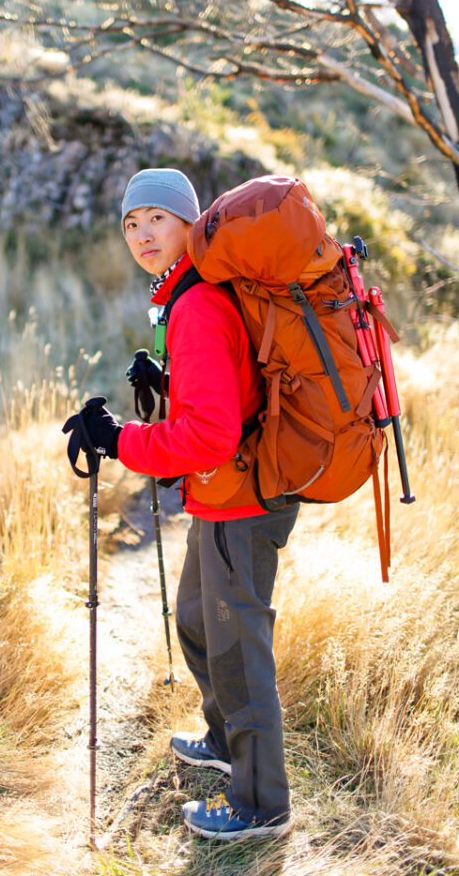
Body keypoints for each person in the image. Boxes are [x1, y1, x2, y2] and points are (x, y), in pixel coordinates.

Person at [69, 168, 298, 841]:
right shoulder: (198, 292)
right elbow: (233, 390)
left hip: (241, 493)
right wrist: (168, 382)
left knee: (237, 649)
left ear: (189, 224)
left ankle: (261, 803)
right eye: (130, 222)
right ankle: (227, 741)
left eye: (157, 219)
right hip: (235, 488)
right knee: (199, 620)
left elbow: (208, 436)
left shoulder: (196, 305)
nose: (142, 233)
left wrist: (116, 439)